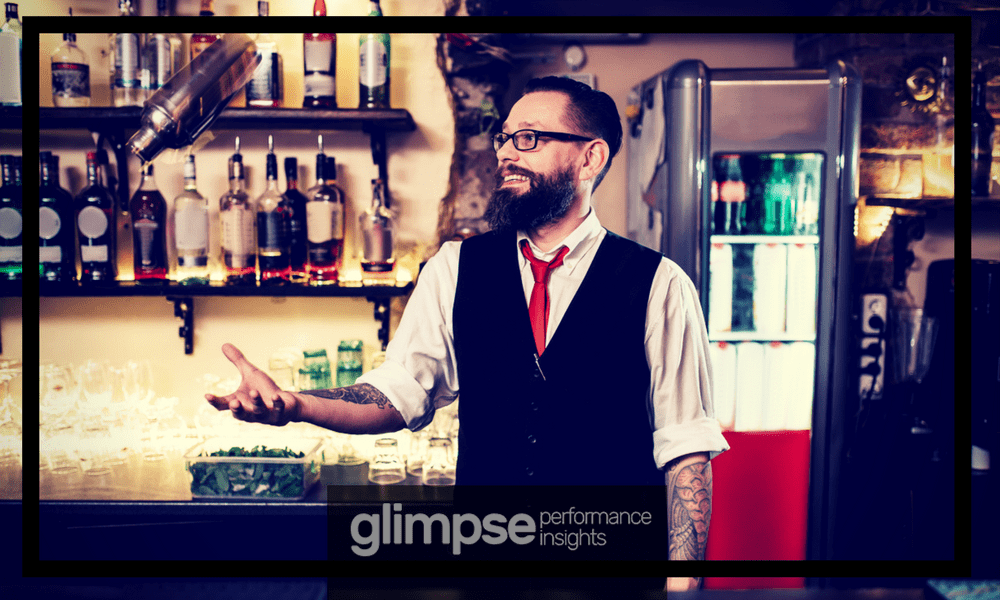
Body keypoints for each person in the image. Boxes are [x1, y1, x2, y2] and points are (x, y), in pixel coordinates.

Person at [206, 77, 729, 579]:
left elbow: (686, 452)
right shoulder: (455, 268)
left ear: (590, 157)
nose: (505, 153)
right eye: (504, 138)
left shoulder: (659, 284)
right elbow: (396, 392)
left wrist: (681, 587)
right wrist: (296, 405)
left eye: (528, 139)